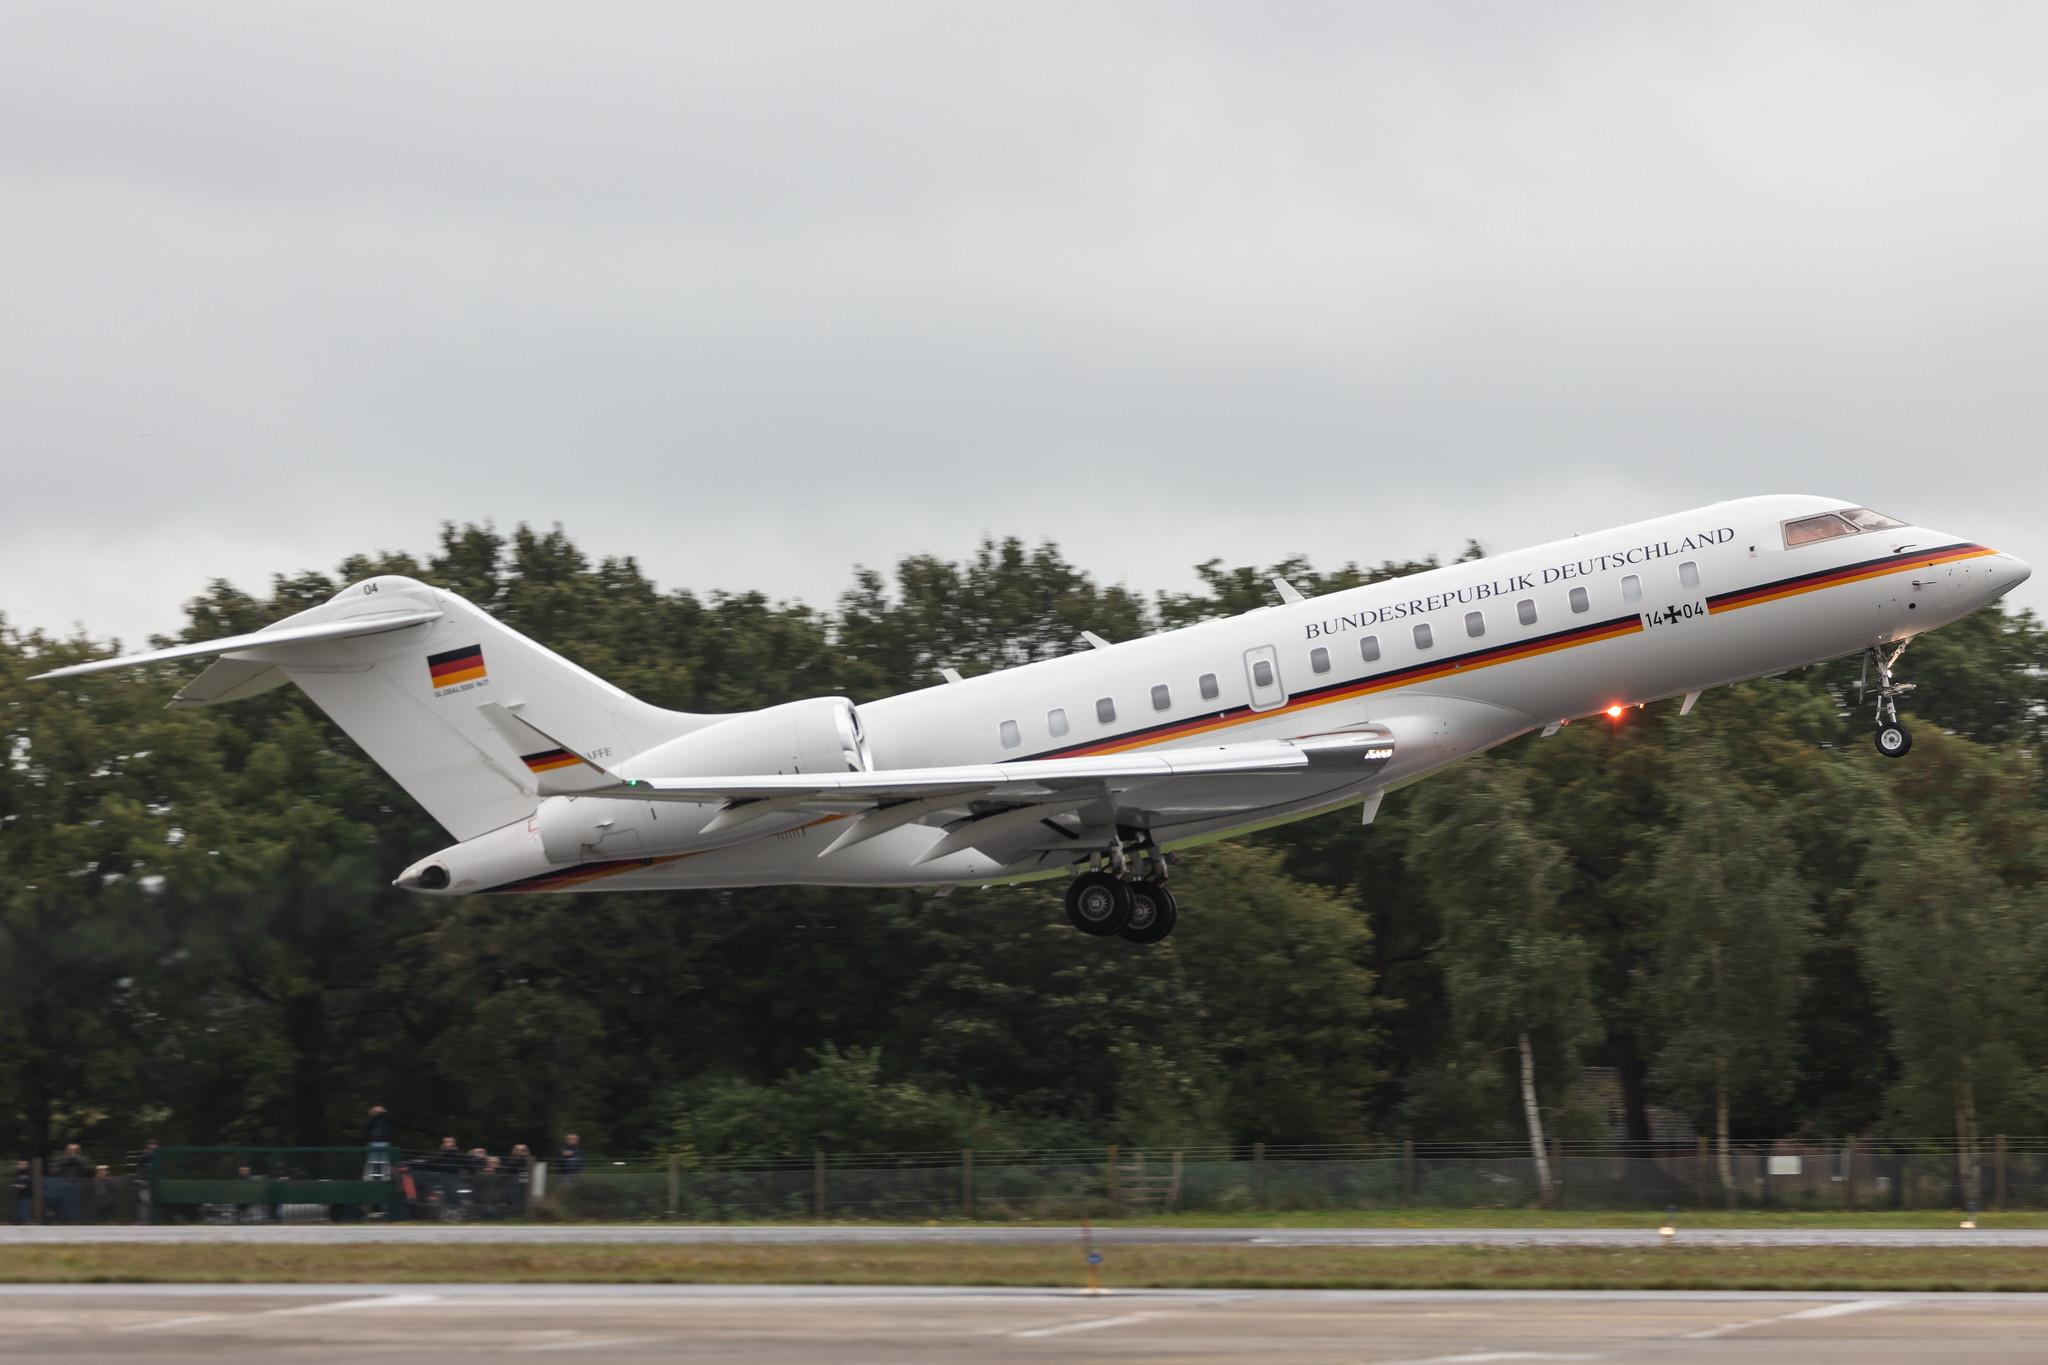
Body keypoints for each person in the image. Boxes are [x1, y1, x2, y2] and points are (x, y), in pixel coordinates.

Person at [50, 1143, 90, 1224]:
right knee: (64, 1203)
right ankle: (63, 1219)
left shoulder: (82, 1159)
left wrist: (75, 1159)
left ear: (78, 1150)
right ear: (67, 1150)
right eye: (70, 1149)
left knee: (76, 1203)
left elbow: (86, 1169)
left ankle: (76, 1220)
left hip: (78, 1183)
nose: (72, 1151)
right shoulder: (62, 1159)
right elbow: (56, 1170)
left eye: (74, 1149)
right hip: (64, 1183)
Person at [364, 1105, 395, 1181]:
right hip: (373, 1142)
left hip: (384, 1142)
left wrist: (384, 1112)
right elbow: (366, 1125)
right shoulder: (373, 1118)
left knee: (384, 1161)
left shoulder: (386, 1118)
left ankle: (385, 1179)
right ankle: (369, 1178)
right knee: (372, 1161)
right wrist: (372, 1114)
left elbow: (394, 1119)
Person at [10, 1160, 31, 1226]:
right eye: (19, 1164)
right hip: (18, 1196)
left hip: (25, 1196)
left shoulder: (27, 1174)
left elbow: (25, 1186)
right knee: (19, 1213)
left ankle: (27, 1227)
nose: (20, 1165)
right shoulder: (18, 1173)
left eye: (23, 1164)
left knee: (24, 1213)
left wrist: (15, 1185)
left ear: (26, 1166)